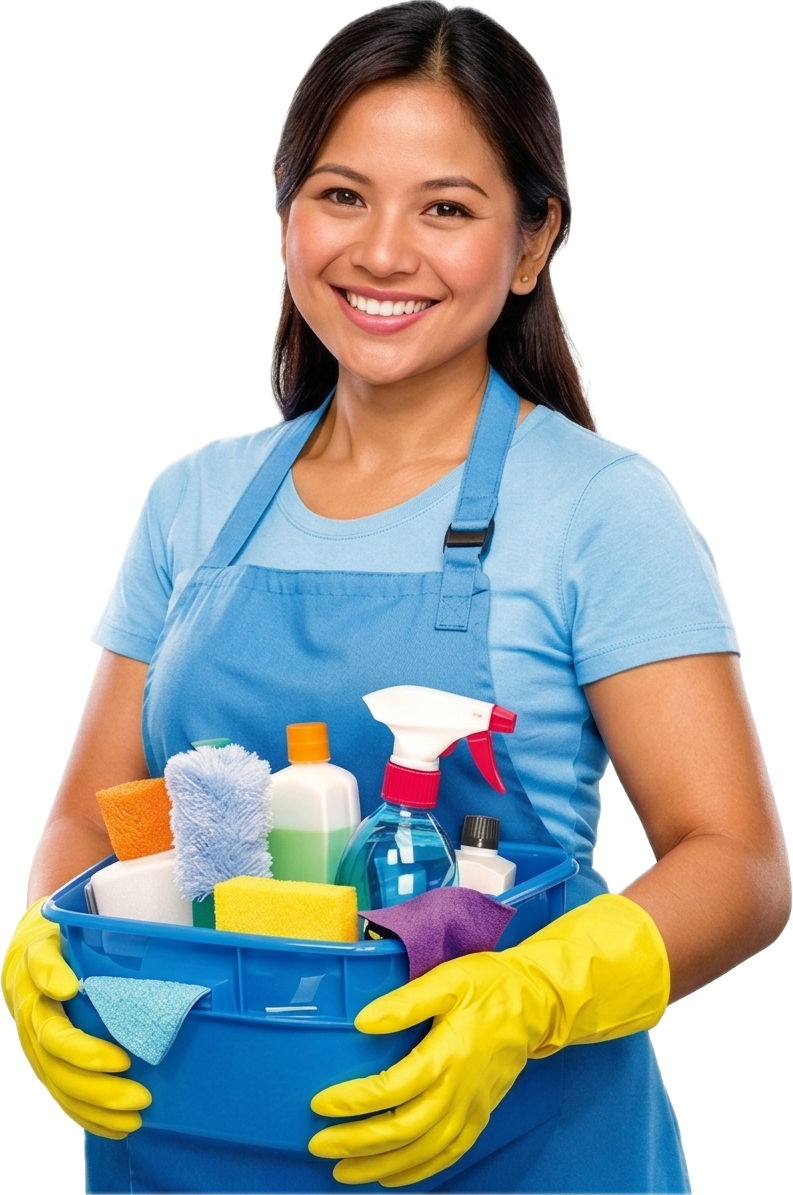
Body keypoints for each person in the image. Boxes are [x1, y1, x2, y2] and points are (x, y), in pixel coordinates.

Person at [2, 2, 789, 1192]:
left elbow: (736, 863)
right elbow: (95, 818)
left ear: (531, 242)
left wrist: (532, 995)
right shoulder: (194, 499)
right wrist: (49, 946)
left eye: (446, 208)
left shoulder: (600, 505)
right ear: (284, 213)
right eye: (341, 194)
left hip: (521, 1148)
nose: (381, 252)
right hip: (191, 1137)